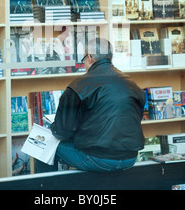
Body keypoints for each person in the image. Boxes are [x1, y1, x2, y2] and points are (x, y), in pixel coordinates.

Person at [49, 37, 146, 172]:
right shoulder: (133, 85)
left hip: (98, 159)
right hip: (130, 158)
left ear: (89, 58)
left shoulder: (79, 85)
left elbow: (62, 131)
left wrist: (52, 127)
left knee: (42, 144)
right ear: (110, 57)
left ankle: (46, 190)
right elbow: (135, 119)